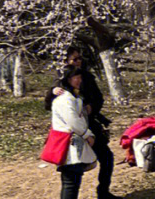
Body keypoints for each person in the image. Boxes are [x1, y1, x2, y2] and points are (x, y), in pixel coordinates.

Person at [45, 48, 115, 199]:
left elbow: (98, 98)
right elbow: (67, 116)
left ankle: (103, 192)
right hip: (73, 135)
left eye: (80, 58)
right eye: (74, 59)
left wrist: (91, 107)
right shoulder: (62, 89)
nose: (79, 62)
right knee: (72, 174)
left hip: (88, 125)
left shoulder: (86, 77)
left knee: (106, 158)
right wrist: (52, 92)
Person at [48, 68, 98, 199]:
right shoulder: (65, 99)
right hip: (69, 145)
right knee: (71, 182)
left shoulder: (73, 98)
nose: (79, 81)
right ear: (68, 80)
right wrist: (87, 134)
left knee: (73, 182)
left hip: (74, 145)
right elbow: (73, 121)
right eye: (77, 77)